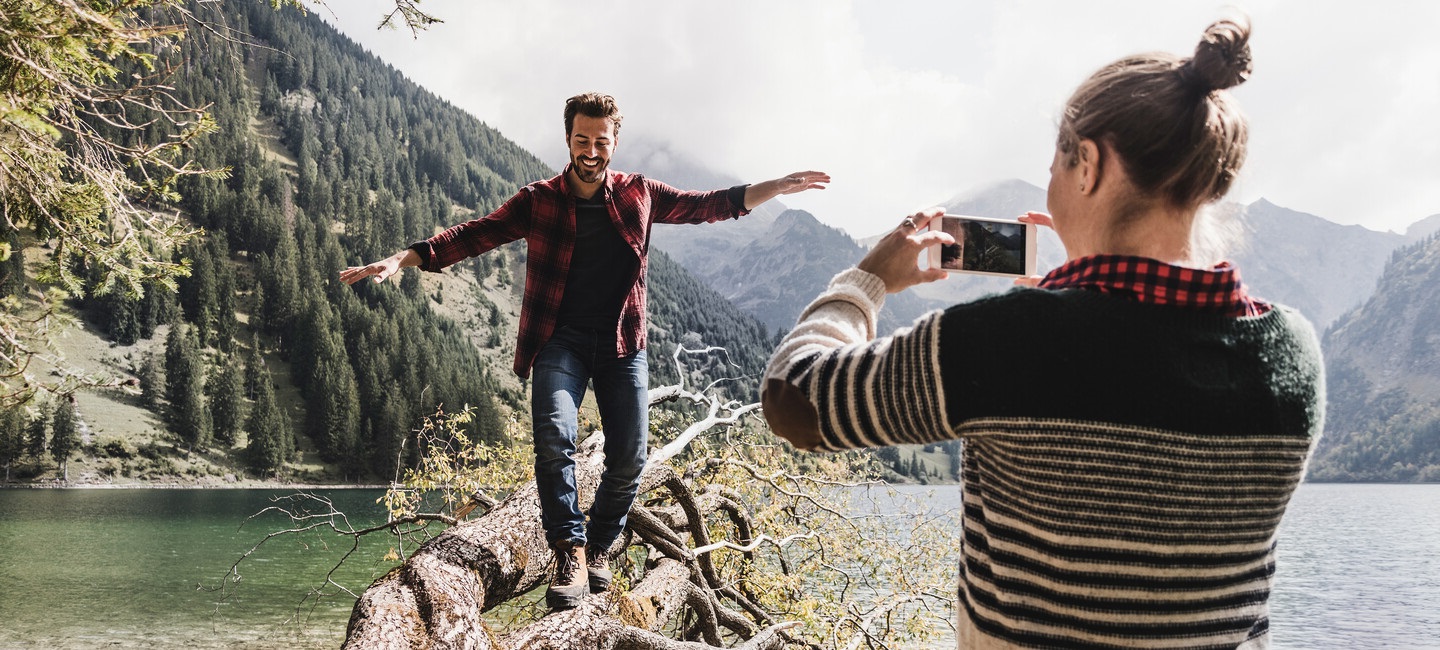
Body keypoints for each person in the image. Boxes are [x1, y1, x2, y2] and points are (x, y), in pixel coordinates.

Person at [762, 16, 1323, 649]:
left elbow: (794, 397)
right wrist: (1077, 291)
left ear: (1087, 164)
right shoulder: (1292, 355)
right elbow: (1146, 364)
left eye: (1056, 162)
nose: (1051, 184)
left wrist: (868, 282)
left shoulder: (1009, 342)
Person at [341, 92, 828, 610]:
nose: (591, 151)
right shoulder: (539, 200)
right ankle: (568, 550)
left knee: (629, 455)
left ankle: (599, 547)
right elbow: (475, 235)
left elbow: (708, 205)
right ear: (568, 139)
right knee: (554, 438)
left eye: (601, 141)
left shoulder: (640, 193)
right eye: (581, 140)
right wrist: (404, 258)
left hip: (623, 344)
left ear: (615, 141)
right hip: (560, 340)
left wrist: (775, 186)